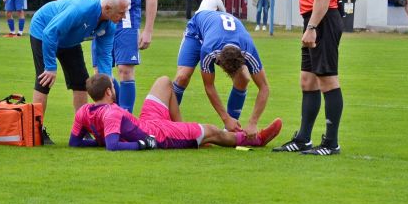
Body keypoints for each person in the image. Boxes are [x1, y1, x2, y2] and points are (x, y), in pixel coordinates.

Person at [273, 0, 347, 156]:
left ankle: (330, 143)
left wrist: (313, 27)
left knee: (327, 79)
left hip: (322, 22)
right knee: (307, 80)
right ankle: (304, 138)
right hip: (316, 20)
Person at [69, 74, 282, 151]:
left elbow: (74, 143)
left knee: (163, 81)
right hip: (157, 134)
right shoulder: (113, 113)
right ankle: (254, 140)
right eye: (113, 88)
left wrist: (99, 141)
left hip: (146, 122)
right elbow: (113, 146)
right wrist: (142, 145)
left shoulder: (83, 112)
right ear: (108, 91)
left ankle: (184, 129)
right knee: (212, 131)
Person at [30, 0, 130, 144]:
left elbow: (104, 55)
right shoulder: (81, 9)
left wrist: (107, 82)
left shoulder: (110, 25)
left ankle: (82, 130)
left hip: (69, 40)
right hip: (44, 30)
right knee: (44, 80)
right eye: (121, 13)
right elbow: (50, 33)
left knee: (82, 83)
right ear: (107, 8)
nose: (124, 17)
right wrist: (50, 67)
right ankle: (36, 130)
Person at [172, 10, 271, 135]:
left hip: (219, 32)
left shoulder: (248, 50)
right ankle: (167, 122)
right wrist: (225, 117)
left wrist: (253, 122)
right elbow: (209, 86)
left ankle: (229, 129)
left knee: (243, 78)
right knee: (182, 77)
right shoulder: (209, 50)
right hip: (196, 31)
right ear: (218, 59)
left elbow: (264, 87)